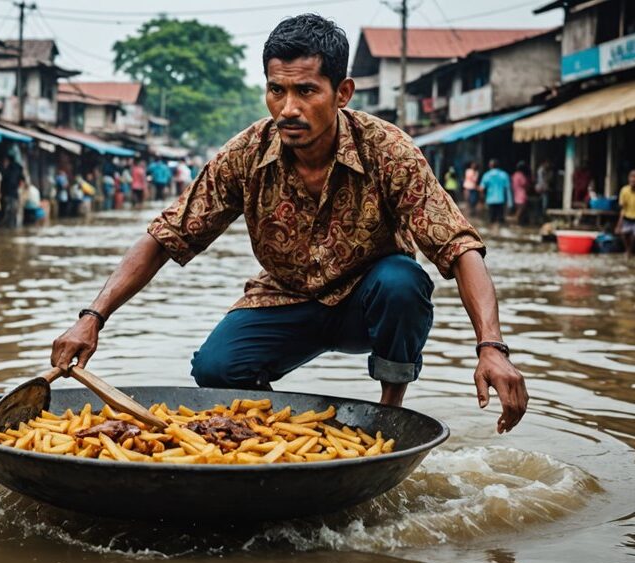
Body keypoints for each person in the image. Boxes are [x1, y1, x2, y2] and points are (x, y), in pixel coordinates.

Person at [51, 13, 527, 435]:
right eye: (276, 90)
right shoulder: (247, 152)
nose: (288, 108)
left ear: (341, 93)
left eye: (305, 91)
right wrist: (92, 318)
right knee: (215, 369)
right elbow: (166, 235)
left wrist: (490, 346)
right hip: (286, 296)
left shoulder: (386, 149)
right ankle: (265, 433)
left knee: (403, 281)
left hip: (368, 301)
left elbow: (459, 246)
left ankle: (389, 415)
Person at [480, 159, 513, 229]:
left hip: (490, 200)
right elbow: (508, 189)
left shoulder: (487, 175)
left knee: (492, 219)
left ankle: (493, 234)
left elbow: (481, 188)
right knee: (500, 219)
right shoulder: (504, 175)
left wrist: (482, 200)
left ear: (490, 165)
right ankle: (499, 233)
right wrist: (510, 203)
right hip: (500, 200)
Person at [615, 169, 635, 259]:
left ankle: (630, 251)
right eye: (632, 177)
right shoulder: (624, 190)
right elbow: (622, 209)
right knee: (624, 235)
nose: (633, 179)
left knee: (633, 237)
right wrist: (619, 225)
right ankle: (628, 251)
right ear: (628, 178)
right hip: (627, 217)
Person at [1, 154, 24, 228]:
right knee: (13, 210)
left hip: (9, 192)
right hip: (13, 192)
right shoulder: (17, 168)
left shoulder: (8, 169)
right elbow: (22, 180)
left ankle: (10, 225)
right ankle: (13, 225)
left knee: (9, 209)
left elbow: (3, 181)